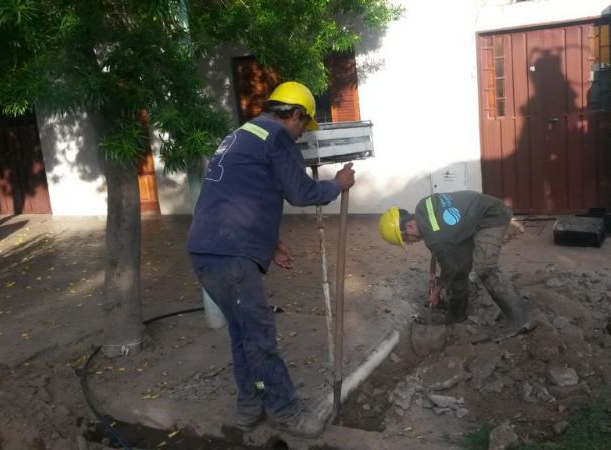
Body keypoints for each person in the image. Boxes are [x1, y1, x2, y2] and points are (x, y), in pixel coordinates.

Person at [186, 81, 355, 438]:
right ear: (294, 114)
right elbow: (301, 192)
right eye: (301, 127)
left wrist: (270, 240)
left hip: (207, 250)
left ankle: (249, 406)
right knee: (260, 337)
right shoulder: (276, 137)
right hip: (231, 256)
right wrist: (337, 185)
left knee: (241, 332)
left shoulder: (241, 135)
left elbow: (241, 193)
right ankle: (286, 412)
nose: (298, 136)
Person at [378, 190, 527, 326]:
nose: (410, 243)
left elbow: (450, 266)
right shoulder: (423, 204)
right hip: (468, 222)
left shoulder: (436, 239)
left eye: (406, 239)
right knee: (459, 268)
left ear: (409, 226)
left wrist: (436, 292)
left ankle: (519, 320)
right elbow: (451, 255)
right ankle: (457, 315)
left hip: (491, 216)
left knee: (485, 267)